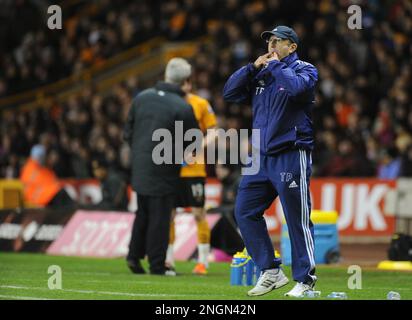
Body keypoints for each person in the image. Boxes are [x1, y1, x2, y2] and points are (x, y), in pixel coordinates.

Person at [223, 25, 319, 297]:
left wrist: (275, 67)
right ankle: (271, 270)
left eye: (279, 41)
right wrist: (251, 69)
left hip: (290, 152)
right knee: (243, 211)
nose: (272, 46)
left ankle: (305, 281)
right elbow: (230, 93)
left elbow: (298, 90)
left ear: (292, 47)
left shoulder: (305, 69)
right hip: (260, 158)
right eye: (270, 41)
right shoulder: (262, 72)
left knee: (296, 218)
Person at [124, 58, 199, 276]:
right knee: (160, 216)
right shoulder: (183, 107)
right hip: (165, 169)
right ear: (185, 81)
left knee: (143, 212)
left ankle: (133, 256)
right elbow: (192, 142)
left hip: (140, 165)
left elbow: (127, 133)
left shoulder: (141, 98)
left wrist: (140, 152)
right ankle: (157, 265)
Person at [165, 75, 218, 276]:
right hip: (171, 169)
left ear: (189, 84)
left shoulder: (201, 104)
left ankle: (203, 261)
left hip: (194, 170)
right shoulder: (167, 104)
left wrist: (197, 147)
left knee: (198, 213)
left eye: (185, 82)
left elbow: (213, 131)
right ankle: (168, 260)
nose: (182, 86)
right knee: (169, 214)